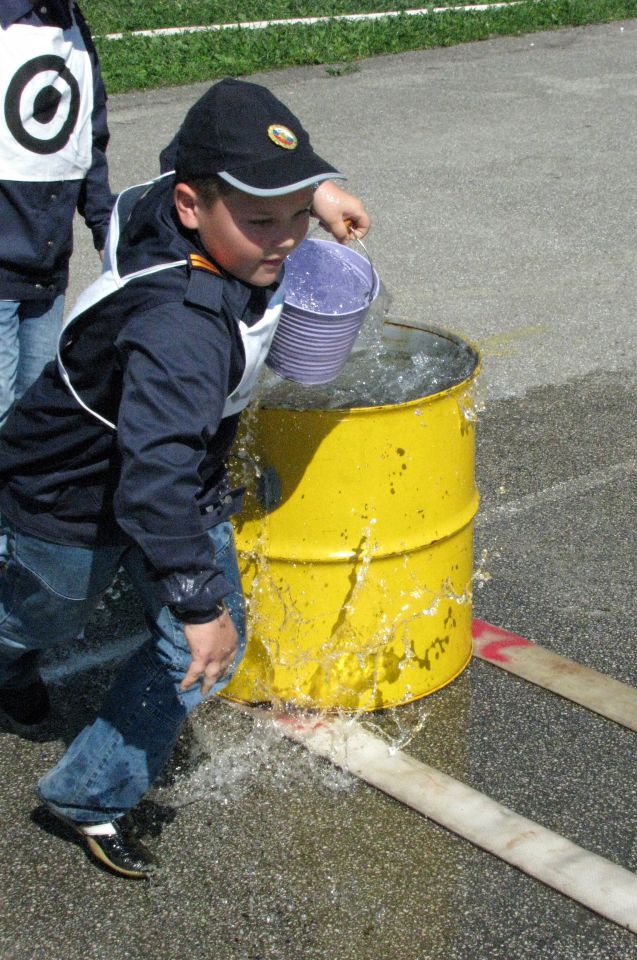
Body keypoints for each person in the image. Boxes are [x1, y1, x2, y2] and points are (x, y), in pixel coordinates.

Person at [0, 77, 370, 879]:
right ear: (192, 209)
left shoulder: (169, 211)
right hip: (71, 494)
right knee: (45, 615)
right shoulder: (181, 328)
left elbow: (174, 176)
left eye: (296, 214)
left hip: (167, 475)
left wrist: (313, 194)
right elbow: (151, 480)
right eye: (262, 220)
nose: (285, 240)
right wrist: (196, 604)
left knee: (205, 648)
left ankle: (89, 794)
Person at [0, 0, 114, 427]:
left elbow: (88, 134)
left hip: (46, 266)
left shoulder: (72, 25)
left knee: (34, 420)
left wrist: (106, 227)